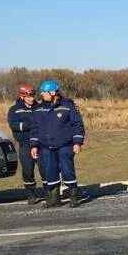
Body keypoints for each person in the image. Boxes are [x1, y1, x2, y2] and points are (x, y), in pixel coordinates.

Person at [29, 79, 86, 208]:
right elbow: (35, 128)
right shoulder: (39, 109)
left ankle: (73, 196)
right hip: (46, 147)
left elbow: (77, 124)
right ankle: (54, 198)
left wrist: (77, 142)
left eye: (44, 92)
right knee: (50, 171)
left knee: (67, 170)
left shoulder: (68, 106)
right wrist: (34, 145)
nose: (42, 95)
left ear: (53, 92)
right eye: (41, 92)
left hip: (65, 145)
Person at [6, 84, 43, 204]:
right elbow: (15, 126)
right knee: (27, 171)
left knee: (45, 169)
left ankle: (50, 192)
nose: (32, 98)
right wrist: (32, 125)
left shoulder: (40, 107)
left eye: (33, 96)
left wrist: (28, 125)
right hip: (25, 145)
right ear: (22, 97)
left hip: (41, 144)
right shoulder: (14, 110)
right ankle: (31, 194)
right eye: (29, 96)